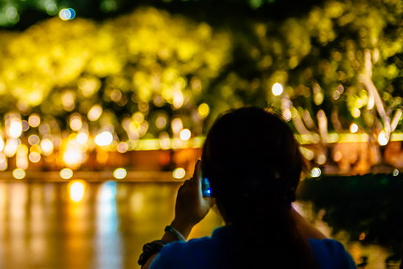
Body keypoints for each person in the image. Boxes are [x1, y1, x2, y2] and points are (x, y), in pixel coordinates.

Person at [139, 107, 356, 269]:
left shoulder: (182, 261)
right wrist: (277, 197)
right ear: (292, 177)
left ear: (211, 183)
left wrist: (182, 222)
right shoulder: (331, 259)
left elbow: (151, 264)